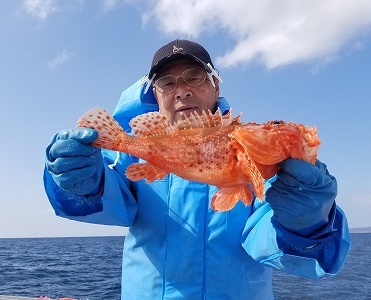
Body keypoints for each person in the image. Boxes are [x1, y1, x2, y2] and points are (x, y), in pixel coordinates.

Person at [44, 39, 351, 299]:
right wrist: (78, 179)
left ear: (216, 86)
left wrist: (309, 225)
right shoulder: (132, 158)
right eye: (166, 82)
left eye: (194, 77)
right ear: (155, 96)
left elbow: (269, 242)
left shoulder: (261, 161)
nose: (182, 90)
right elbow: (108, 205)